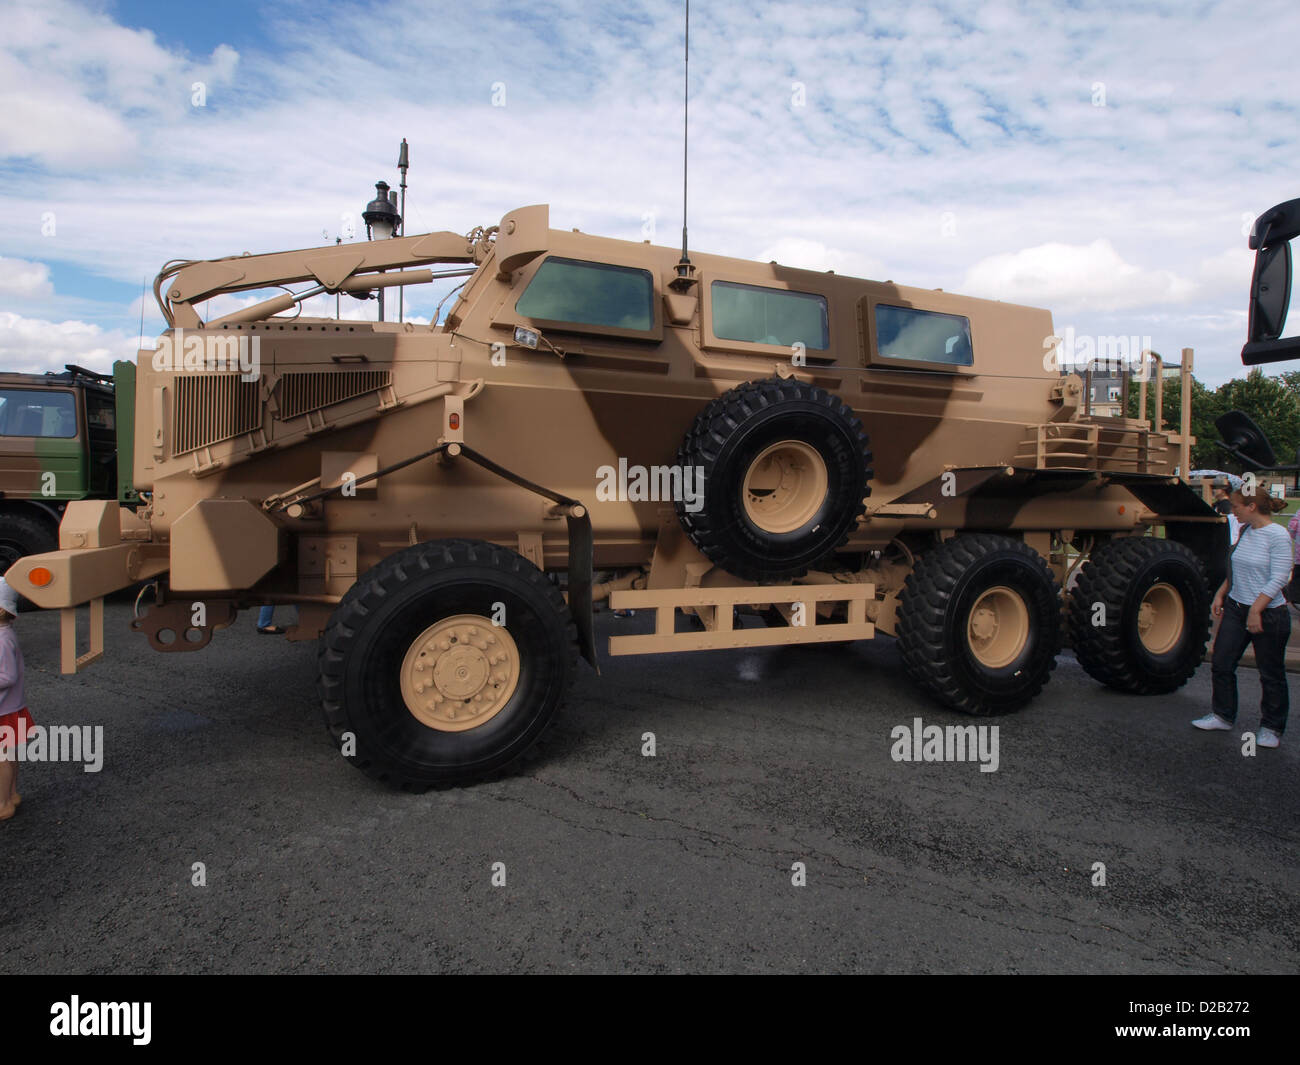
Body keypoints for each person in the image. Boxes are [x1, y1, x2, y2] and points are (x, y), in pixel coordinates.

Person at [1195, 488, 1291, 747]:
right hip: (1237, 609)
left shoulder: (1277, 535)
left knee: (1270, 673)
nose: (1232, 510)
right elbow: (1237, 567)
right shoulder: (1247, 531)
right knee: (1222, 663)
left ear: (1251, 507)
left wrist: (1256, 609)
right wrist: (1221, 594)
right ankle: (1223, 715)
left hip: (1269, 614)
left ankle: (1272, 727)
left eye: (1236, 506)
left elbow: (1281, 577)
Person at [0, 577, 32, 821]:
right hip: (11, 708)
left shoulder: (1, 640)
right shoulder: (6, 634)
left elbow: (7, 676)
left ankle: (3, 804)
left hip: (3, 710)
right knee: (9, 755)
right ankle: (11, 795)